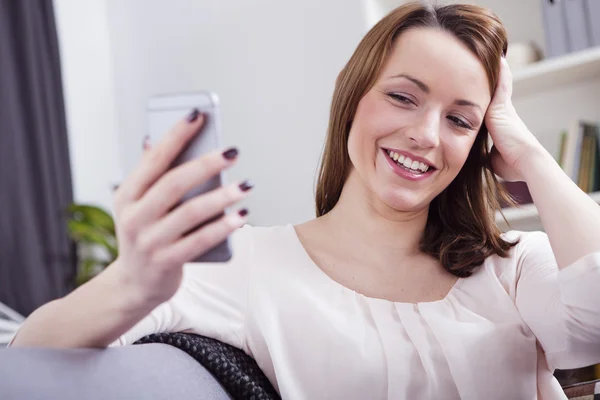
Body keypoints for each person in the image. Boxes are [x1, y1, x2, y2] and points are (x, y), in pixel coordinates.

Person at [10, 2, 600, 399]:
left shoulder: (515, 264)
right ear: (353, 96)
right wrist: (134, 283)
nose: (426, 133)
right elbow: (29, 360)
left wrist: (527, 151)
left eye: (460, 120)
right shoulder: (245, 265)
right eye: (402, 96)